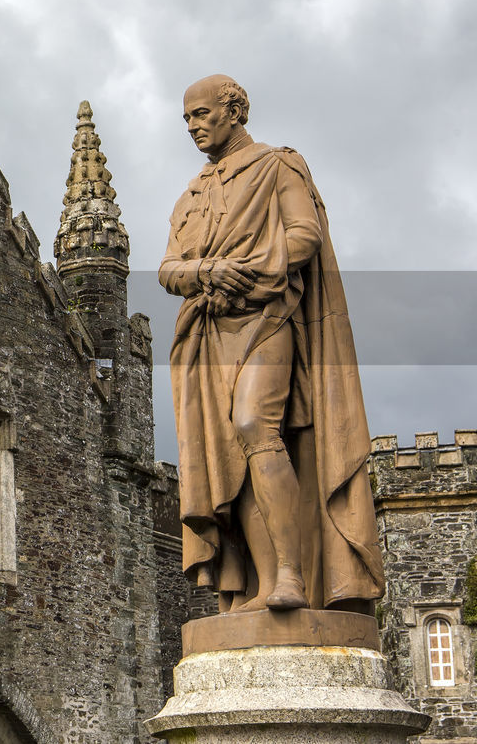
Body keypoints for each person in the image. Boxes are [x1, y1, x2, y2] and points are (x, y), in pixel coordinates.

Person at [159, 74, 384, 613]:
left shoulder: (276, 165)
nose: (192, 125)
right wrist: (206, 270)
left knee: (254, 426)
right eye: (186, 118)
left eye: (202, 113)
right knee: (231, 463)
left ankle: (292, 575)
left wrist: (252, 271)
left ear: (234, 110)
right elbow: (168, 268)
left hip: (268, 315)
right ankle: (260, 586)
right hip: (208, 330)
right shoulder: (191, 194)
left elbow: (304, 234)